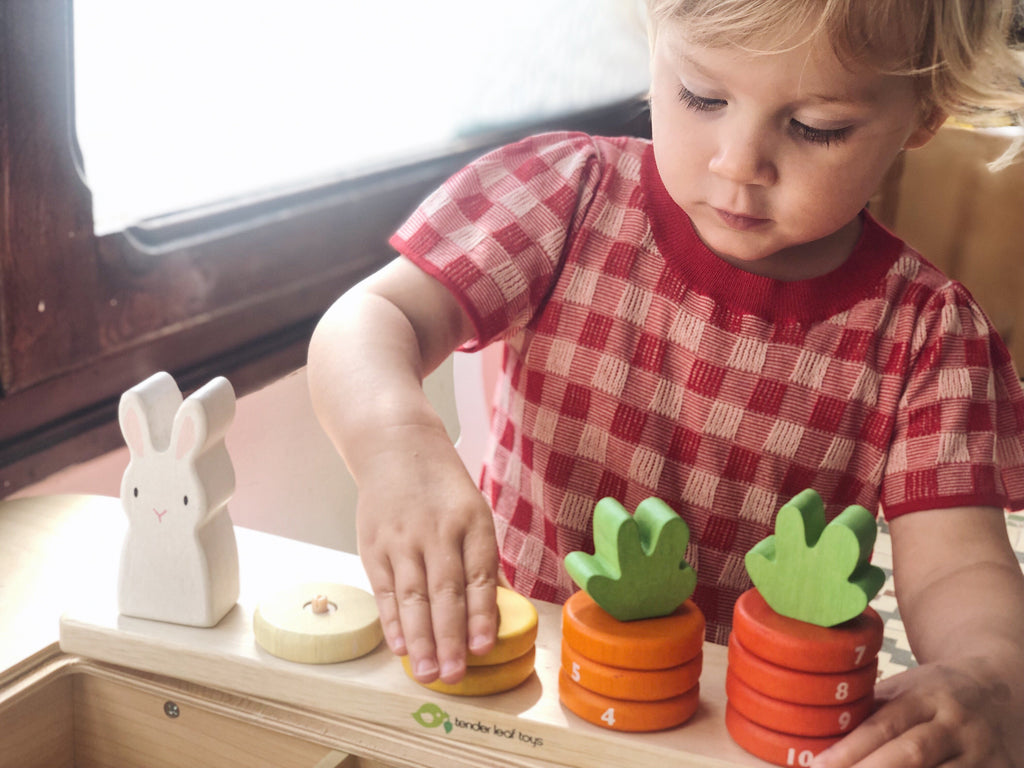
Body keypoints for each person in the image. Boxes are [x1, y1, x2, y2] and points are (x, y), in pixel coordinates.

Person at [308, 1, 1024, 764]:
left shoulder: (929, 335)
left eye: (816, 127)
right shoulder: (565, 195)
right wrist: (396, 447)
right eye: (702, 97)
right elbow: (371, 318)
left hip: (730, 735)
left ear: (926, 111)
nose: (737, 162)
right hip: (512, 692)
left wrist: (995, 675)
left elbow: (960, 567)